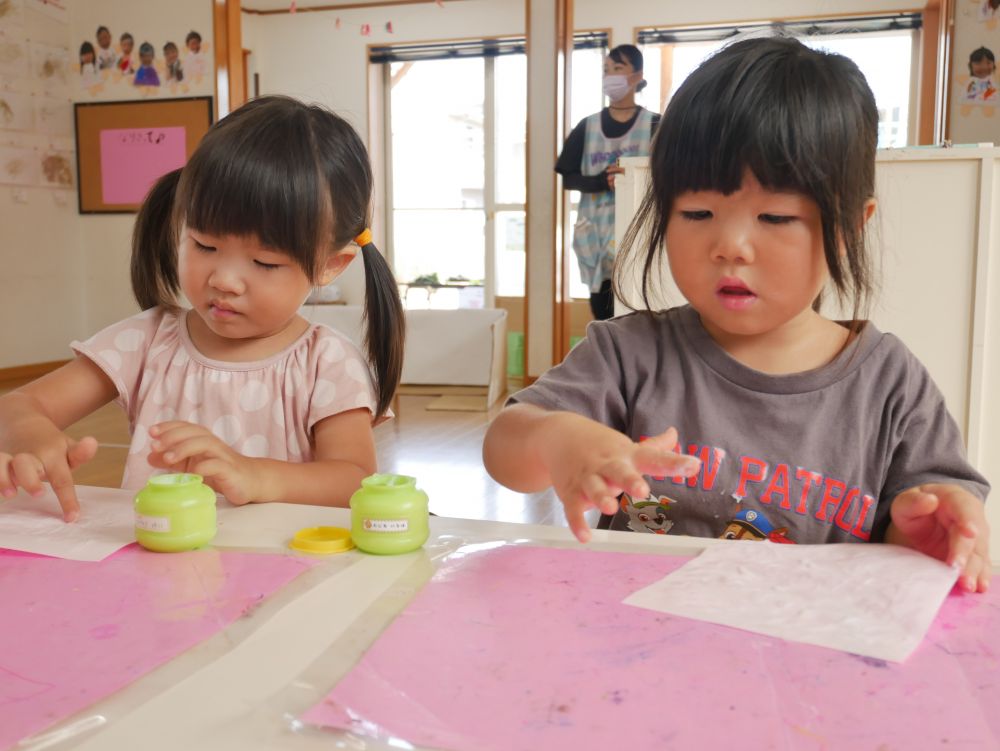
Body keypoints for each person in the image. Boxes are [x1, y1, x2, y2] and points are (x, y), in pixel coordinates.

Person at [484, 37, 991, 593]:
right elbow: (505, 447)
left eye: (774, 217)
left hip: (807, 658)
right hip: (637, 650)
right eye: (697, 212)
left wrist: (925, 534)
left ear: (849, 228)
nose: (730, 245)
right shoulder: (628, 355)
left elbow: (927, 519)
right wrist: (559, 440)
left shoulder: (892, 385)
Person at [0, 96, 405, 522]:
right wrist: (30, 433)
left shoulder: (325, 362)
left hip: (286, 572)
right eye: (204, 245)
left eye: (265, 262)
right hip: (157, 571)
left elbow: (354, 481)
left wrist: (255, 476)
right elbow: (18, 405)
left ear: (329, 265)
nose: (223, 280)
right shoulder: (148, 341)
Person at [556, 44, 659, 321]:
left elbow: (671, 175)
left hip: (638, 231)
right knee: (603, 313)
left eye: (618, 68)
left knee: (639, 311)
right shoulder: (586, 127)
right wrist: (601, 181)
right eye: (606, 70)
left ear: (637, 76)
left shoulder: (655, 125)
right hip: (596, 235)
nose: (610, 75)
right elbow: (567, 176)